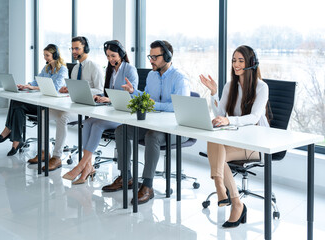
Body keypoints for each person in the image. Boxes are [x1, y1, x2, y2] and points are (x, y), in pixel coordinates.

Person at [101, 40, 190, 205]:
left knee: (152, 136)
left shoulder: (180, 79)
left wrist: (154, 105)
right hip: (154, 123)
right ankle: (125, 177)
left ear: (168, 57)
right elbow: (146, 97)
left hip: (176, 129)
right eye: (150, 56)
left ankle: (147, 186)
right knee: (121, 130)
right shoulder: (151, 75)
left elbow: (179, 108)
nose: (151, 60)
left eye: (155, 57)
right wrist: (134, 92)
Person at [199, 45, 269, 228]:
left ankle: (224, 192)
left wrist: (230, 121)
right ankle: (234, 200)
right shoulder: (230, 85)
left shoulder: (262, 87)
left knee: (216, 155)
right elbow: (219, 113)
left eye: (240, 60)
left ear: (251, 64)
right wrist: (213, 93)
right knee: (214, 142)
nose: (235, 64)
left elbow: (254, 117)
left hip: (256, 144)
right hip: (236, 140)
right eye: (233, 60)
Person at [62, 40, 138, 184]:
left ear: (121, 54)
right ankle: (88, 167)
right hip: (112, 111)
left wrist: (109, 100)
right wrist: (102, 98)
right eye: (108, 56)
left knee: (97, 125)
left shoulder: (130, 70)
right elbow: (109, 93)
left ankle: (81, 166)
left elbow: (132, 97)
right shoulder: (111, 70)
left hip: (125, 114)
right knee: (88, 122)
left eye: (113, 56)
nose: (110, 60)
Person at [26, 36, 104, 171]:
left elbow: (100, 90)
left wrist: (81, 90)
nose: (74, 51)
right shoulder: (75, 69)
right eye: (72, 48)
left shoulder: (94, 67)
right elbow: (72, 90)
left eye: (77, 48)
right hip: (73, 105)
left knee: (63, 117)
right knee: (44, 114)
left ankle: (56, 157)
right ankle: (44, 152)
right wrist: (66, 90)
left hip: (86, 109)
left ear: (85, 48)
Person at [0, 44, 68, 157]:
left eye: (47, 55)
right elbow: (36, 81)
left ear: (55, 55)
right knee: (17, 103)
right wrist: (26, 85)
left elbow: (55, 88)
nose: (45, 58)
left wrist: (33, 88)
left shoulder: (62, 70)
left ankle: (9, 132)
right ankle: (16, 141)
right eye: (44, 55)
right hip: (41, 101)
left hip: (50, 106)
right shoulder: (46, 68)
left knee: (18, 105)